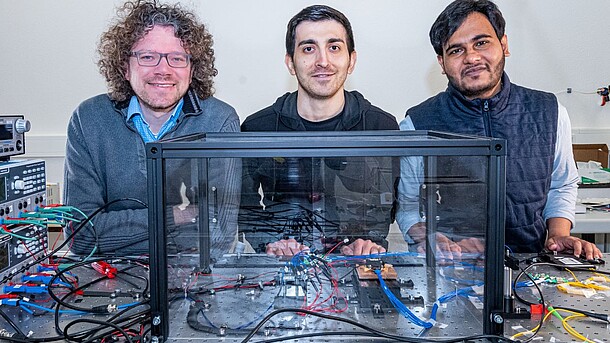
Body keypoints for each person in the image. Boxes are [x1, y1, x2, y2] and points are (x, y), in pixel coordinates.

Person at [397, 0, 602, 260]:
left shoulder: (550, 112)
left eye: (481, 43)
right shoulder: (418, 123)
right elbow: (407, 206)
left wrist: (558, 235)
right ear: (442, 61)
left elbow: (562, 184)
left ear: (504, 45)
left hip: (531, 263)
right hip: (454, 268)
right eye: (456, 50)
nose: (471, 57)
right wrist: (429, 237)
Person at [64, 0, 240, 258]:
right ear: (125, 67)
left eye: (177, 58)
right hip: (109, 277)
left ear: (192, 70)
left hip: (191, 279)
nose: (163, 70)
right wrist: (178, 215)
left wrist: (115, 232)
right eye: (147, 57)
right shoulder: (89, 119)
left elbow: (217, 237)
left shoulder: (220, 121)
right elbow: (81, 237)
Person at [240, 5, 399, 256]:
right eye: (308, 48)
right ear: (291, 63)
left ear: (351, 60)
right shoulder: (258, 128)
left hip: (356, 264)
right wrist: (270, 242)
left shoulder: (382, 127)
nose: (322, 61)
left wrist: (366, 242)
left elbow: (386, 205)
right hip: (284, 265)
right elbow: (243, 204)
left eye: (334, 47)